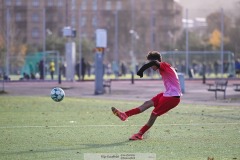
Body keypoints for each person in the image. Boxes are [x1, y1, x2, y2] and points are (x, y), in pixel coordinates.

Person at [111, 51, 182, 140]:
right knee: (147, 103)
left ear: (156, 61)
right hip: (167, 94)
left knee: (153, 115)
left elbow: (154, 63)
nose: (151, 66)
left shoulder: (163, 65)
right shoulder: (166, 66)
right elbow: (171, 70)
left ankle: (140, 134)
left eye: (151, 64)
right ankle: (125, 115)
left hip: (172, 98)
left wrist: (141, 70)